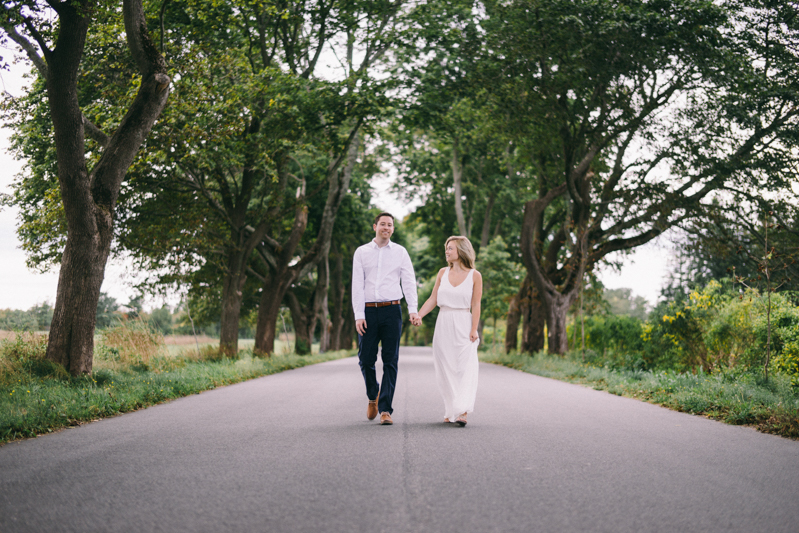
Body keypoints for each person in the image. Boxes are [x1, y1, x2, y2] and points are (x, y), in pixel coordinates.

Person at [352, 212, 421, 426]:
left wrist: (413, 309)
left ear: (393, 229)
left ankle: (385, 409)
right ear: (375, 226)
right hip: (369, 312)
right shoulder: (361, 252)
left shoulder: (400, 252)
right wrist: (359, 315)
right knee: (366, 359)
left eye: (390, 225)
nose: (386, 228)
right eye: (383, 224)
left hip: (392, 310)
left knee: (391, 360)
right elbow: (357, 284)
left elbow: (409, 281)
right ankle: (373, 395)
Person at [418, 236, 482, 426]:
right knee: (445, 368)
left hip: (463, 322)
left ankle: (462, 411)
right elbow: (433, 299)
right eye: (446, 248)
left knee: (463, 367)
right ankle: (450, 408)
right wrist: (419, 315)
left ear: (461, 250)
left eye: (450, 248)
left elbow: (476, 304)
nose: (446, 251)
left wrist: (474, 328)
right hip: (443, 322)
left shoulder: (475, 275)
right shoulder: (442, 273)